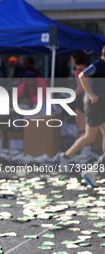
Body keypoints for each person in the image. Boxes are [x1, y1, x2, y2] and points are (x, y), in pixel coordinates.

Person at [59, 46, 105, 181]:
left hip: (102, 103)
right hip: (93, 104)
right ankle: (65, 156)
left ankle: (101, 166)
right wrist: (91, 94)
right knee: (90, 136)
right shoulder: (96, 65)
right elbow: (82, 76)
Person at [71, 51, 87, 138]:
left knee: (81, 128)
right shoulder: (88, 69)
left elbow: (81, 88)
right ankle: (87, 150)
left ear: (75, 60)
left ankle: (84, 151)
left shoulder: (77, 71)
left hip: (81, 100)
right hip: (90, 99)